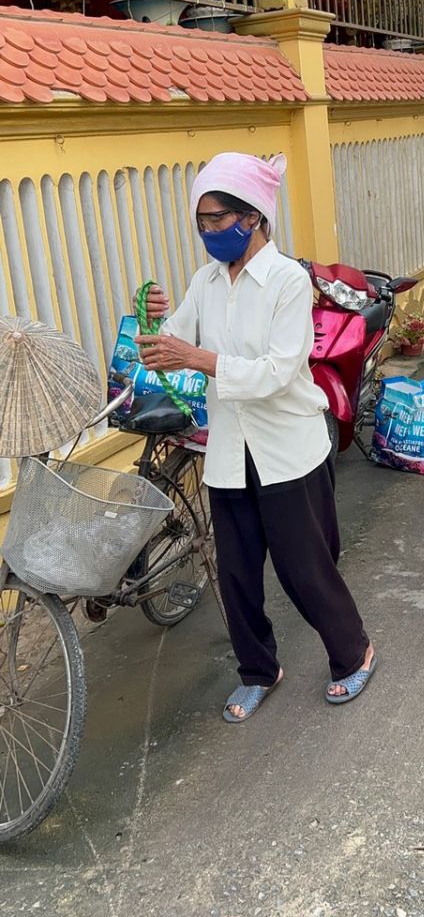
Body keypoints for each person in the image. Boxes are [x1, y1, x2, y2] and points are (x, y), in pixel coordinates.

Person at [135, 152, 376, 720]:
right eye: (201, 222)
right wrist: (153, 321)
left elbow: (278, 371)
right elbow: (169, 348)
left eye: (217, 219)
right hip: (229, 451)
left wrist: (198, 357)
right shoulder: (205, 282)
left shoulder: (288, 281)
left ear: (253, 217)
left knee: (304, 567)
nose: (208, 232)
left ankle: (353, 652)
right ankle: (258, 670)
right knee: (237, 574)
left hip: (287, 447)